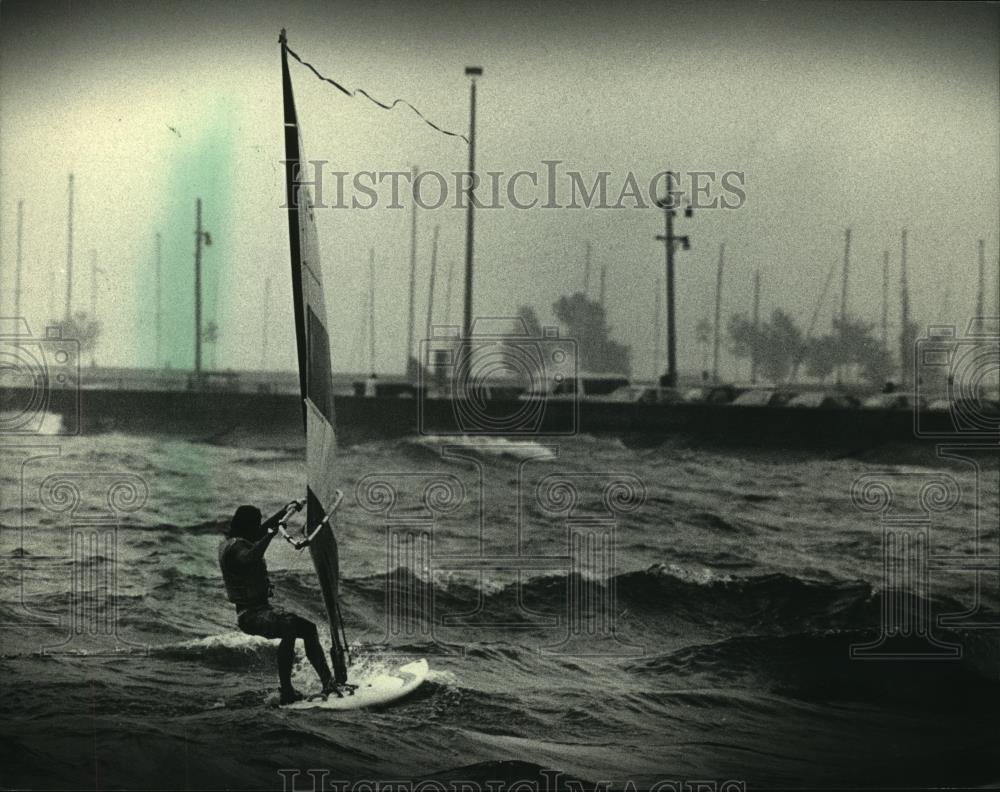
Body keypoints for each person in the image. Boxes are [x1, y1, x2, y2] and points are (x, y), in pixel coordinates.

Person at [218, 501, 335, 704]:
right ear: (246, 526)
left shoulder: (240, 538)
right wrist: (271, 535)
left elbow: (263, 530)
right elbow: (250, 557)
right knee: (288, 625)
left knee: (308, 629)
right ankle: (287, 690)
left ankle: (328, 683)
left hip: (262, 611)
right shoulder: (234, 549)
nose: (259, 527)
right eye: (256, 524)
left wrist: (286, 511)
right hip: (250, 615)